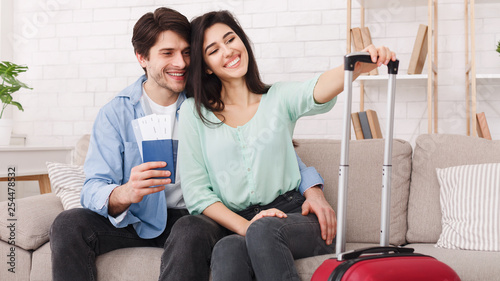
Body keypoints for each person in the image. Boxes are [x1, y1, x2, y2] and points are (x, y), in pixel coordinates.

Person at [49, 7, 331, 281]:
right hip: (139, 218)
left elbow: (262, 151)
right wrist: (125, 192)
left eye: (186, 53)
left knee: (189, 228)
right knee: (67, 224)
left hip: (197, 218)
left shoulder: (208, 105)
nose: (181, 63)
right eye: (167, 53)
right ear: (141, 57)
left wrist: (312, 188)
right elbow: (93, 186)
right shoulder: (116, 113)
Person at [178, 10, 396, 281]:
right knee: (227, 248)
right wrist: (248, 226)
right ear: (207, 65)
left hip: (296, 215)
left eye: (231, 39)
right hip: (244, 223)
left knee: (262, 231)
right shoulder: (193, 113)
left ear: (242, 42)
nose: (228, 51)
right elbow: (197, 193)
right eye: (214, 50)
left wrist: (355, 67)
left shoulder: (277, 98)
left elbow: (314, 90)